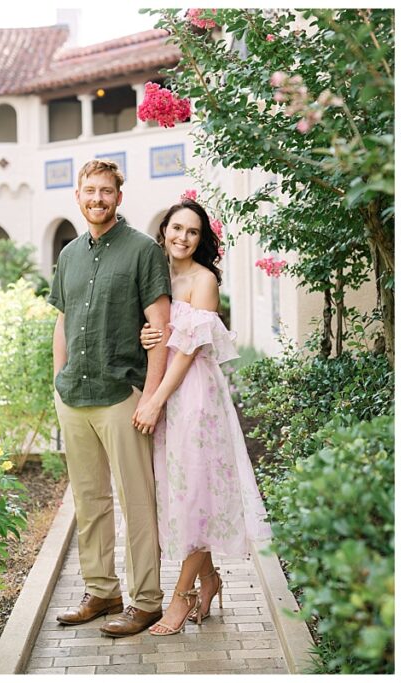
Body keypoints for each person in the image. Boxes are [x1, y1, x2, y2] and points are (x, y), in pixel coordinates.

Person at [134, 197, 271, 636]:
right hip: (166, 394)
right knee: (183, 494)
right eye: (177, 228)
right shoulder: (157, 276)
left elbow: (188, 351)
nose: (183, 237)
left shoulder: (203, 280)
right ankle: (210, 580)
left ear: (202, 239)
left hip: (192, 397)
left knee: (194, 492)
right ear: (164, 230)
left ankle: (181, 596)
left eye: (193, 232)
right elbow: (154, 332)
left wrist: (156, 400)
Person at [50, 159, 171, 637]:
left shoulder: (143, 251)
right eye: (89, 191)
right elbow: (62, 319)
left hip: (123, 393)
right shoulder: (69, 255)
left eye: (106, 191)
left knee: (136, 502)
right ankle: (101, 590)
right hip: (74, 394)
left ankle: (146, 601)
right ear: (78, 197)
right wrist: (57, 380)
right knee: (89, 500)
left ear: (119, 197)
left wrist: (152, 398)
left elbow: (159, 329)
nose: (97, 198)